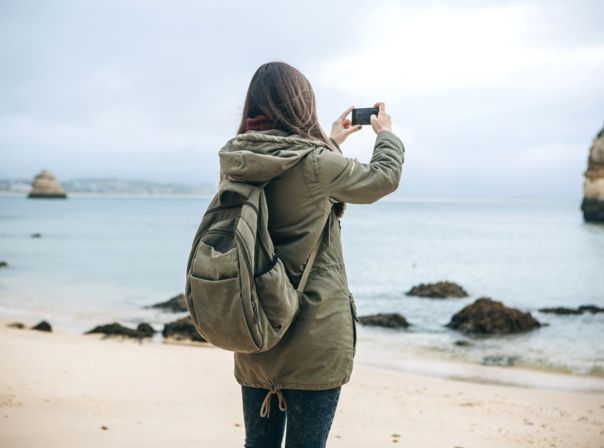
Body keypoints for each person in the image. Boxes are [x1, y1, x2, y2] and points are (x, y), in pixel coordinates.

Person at [217, 61, 405, 448]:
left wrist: (332, 142)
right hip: (315, 335)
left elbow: (293, 181)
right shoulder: (317, 164)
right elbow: (382, 179)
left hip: (258, 330)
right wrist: (386, 135)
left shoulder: (237, 162)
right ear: (301, 105)